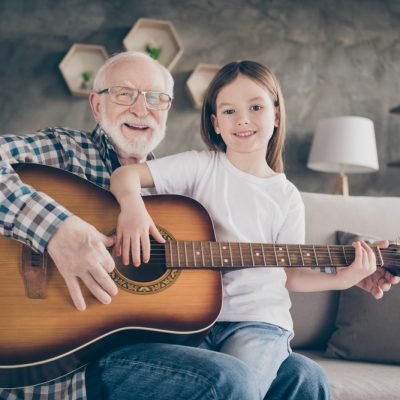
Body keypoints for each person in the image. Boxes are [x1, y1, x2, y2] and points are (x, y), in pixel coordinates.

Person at [0, 52, 396, 400]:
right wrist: (56, 230)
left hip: (167, 342)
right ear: (95, 104)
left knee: (307, 378)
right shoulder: (61, 150)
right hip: (81, 354)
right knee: (229, 378)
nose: (142, 108)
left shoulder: (176, 188)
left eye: (156, 97)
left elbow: (275, 267)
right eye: (124, 93)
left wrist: (346, 273)